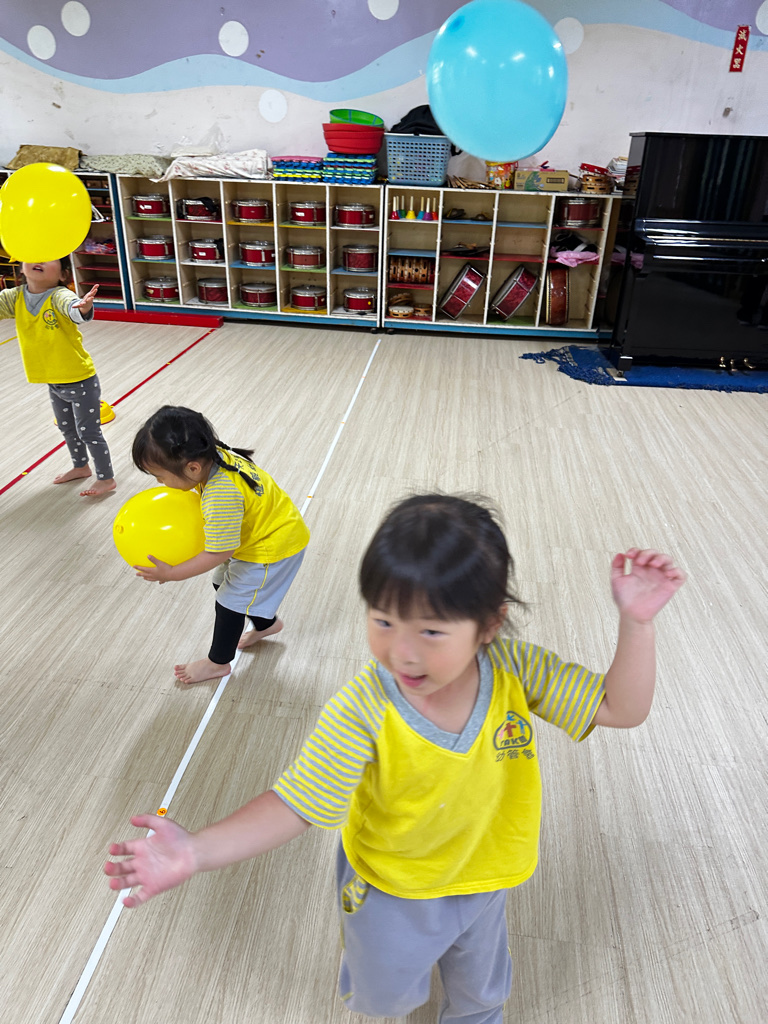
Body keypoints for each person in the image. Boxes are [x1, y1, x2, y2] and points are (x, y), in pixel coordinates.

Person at [104, 494, 686, 1021]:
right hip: (392, 888)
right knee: (386, 998)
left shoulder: (515, 669)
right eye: (383, 621)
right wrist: (196, 850)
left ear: (489, 625)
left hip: (486, 876)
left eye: (431, 632)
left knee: (483, 998)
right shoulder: (364, 707)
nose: (401, 652)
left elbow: (619, 708)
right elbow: (293, 805)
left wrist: (637, 624)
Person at [131, 406, 309, 685]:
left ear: (192, 467)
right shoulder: (214, 456)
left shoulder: (220, 494)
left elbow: (219, 552)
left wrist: (173, 573)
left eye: (160, 476)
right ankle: (267, 624)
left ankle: (218, 663)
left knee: (229, 602)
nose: (160, 483)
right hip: (260, 534)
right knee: (221, 583)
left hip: (270, 548)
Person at [0, 257, 116, 496]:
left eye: (48, 258)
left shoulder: (59, 296)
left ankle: (106, 478)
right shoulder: (15, 297)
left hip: (80, 379)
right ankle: (81, 467)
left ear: (63, 275)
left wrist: (82, 307)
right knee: (67, 428)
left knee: (88, 432)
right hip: (53, 381)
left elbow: (72, 308)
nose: (39, 260)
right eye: (33, 256)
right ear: (21, 268)